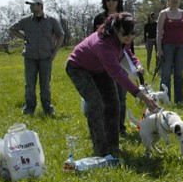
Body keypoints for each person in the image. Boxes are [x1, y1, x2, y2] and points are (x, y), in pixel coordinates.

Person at [66, 12, 159, 157]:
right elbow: (118, 75)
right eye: (125, 34)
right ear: (115, 29)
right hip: (78, 68)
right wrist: (144, 97)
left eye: (132, 33)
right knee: (95, 103)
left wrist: (137, 64)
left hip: (100, 69)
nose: (129, 37)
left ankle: (113, 147)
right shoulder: (103, 44)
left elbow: (128, 53)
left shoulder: (123, 38)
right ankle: (101, 150)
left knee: (113, 103)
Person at [9, 0, 64, 116]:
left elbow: (61, 35)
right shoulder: (25, 21)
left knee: (45, 85)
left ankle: (48, 110)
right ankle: (29, 109)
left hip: (46, 57)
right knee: (29, 85)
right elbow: (12, 29)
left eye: (33, 5)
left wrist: (55, 52)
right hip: (30, 57)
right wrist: (23, 37)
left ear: (41, 6)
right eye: (30, 5)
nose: (31, 7)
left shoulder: (52, 20)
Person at [92, 0, 130, 136]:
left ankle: (121, 127)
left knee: (121, 97)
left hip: (121, 60)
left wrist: (132, 62)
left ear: (119, 0)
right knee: (105, 97)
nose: (111, 2)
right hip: (103, 62)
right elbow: (94, 40)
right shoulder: (99, 18)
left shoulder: (125, 17)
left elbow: (129, 41)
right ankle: (106, 127)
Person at [157, 0, 183, 104]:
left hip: (181, 47)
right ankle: (164, 100)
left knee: (179, 74)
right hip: (167, 47)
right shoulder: (163, 13)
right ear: (168, 0)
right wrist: (159, 50)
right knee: (166, 74)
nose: (175, 0)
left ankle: (179, 100)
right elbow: (159, 32)